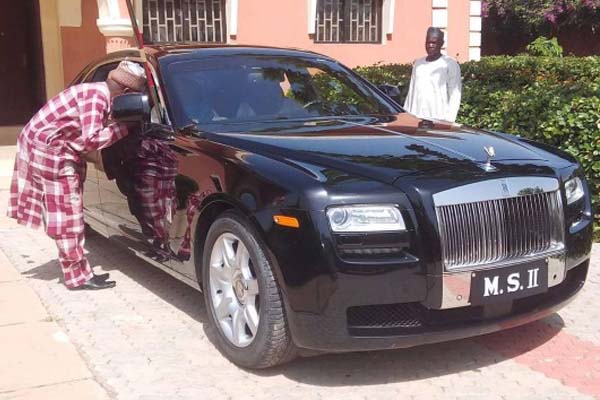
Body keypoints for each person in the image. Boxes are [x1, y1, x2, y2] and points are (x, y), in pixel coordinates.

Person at [7, 61, 146, 291]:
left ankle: (79, 268)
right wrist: (125, 128)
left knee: (67, 207)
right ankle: (77, 276)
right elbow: (90, 141)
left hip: (51, 146)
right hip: (49, 150)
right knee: (67, 211)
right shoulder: (97, 98)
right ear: (127, 93)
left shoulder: (96, 93)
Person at [403, 27, 462, 123]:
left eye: (434, 43)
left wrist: (449, 120)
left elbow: (455, 94)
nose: (430, 45)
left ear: (441, 44)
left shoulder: (450, 64)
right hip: (417, 119)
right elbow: (411, 92)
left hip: (438, 120)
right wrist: (407, 116)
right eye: (428, 42)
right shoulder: (418, 64)